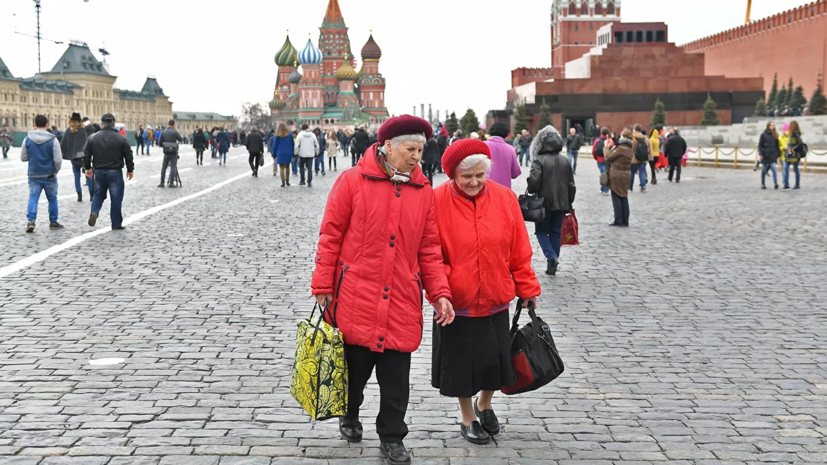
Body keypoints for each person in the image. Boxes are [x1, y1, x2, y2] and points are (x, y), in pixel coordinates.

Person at [311, 115, 454, 465]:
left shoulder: (424, 193)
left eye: (420, 150)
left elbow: (430, 249)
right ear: (387, 146)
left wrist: (440, 293)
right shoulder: (352, 182)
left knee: (396, 379)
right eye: (410, 149)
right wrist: (322, 283)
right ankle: (350, 412)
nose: (417, 156)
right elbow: (331, 235)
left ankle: (392, 437)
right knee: (355, 372)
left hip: (401, 297)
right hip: (356, 294)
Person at [431, 138, 541, 445]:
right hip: (456, 300)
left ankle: (485, 403)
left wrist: (528, 287)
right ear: (453, 175)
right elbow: (429, 254)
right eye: (467, 176)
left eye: (480, 175)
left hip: (495, 296)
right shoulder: (436, 201)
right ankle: (468, 416)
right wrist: (444, 287)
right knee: (461, 363)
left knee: (495, 359)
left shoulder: (505, 198)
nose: (474, 182)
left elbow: (520, 249)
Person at [527, 126, 576, 276]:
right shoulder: (565, 160)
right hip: (562, 202)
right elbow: (571, 184)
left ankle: (551, 257)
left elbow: (534, 182)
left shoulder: (539, 160)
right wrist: (569, 201)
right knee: (555, 233)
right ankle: (552, 265)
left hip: (543, 202)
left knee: (541, 232)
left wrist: (530, 187)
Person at [84, 114, 134, 230]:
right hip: (115, 171)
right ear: (114, 124)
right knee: (116, 198)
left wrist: (87, 168)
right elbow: (128, 155)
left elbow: (86, 154)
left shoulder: (93, 137)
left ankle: (94, 212)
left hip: (99, 171)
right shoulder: (120, 138)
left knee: (98, 194)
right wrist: (130, 169)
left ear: (101, 124)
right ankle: (116, 223)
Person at [21, 115, 64, 232]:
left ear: (34, 124)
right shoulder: (53, 140)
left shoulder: (27, 139)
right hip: (49, 174)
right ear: (47, 125)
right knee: (52, 198)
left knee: (33, 198)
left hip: (33, 174)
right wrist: (56, 170)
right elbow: (58, 159)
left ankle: (31, 221)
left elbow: (23, 157)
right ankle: (53, 221)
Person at [604, 130, 634, 227]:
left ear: (624, 136)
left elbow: (608, 157)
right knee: (624, 196)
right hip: (626, 173)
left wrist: (606, 147)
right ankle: (625, 220)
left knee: (616, 196)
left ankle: (618, 220)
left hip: (617, 173)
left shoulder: (621, 148)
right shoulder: (631, 148)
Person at [60, 113, 91, 202]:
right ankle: (91, 195)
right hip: (83, 157)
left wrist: (64, 154)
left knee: (76, 177)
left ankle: (79, 196)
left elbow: (63, 144)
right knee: (88, 175)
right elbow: (86, 143)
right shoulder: (83, 130)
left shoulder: (68, 131)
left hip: (74, 158)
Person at [484, 122, 521, 189]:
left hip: (485, 189)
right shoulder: (511, 149)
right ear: (506, 134)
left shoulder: (482, 146)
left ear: (490, 133)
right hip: (504, 191)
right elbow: (515, 173)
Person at [158, 120, 183, 188]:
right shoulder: (174, 132)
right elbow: (180, 139)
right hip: (174, 151)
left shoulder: (164, 132)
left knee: (164, 167)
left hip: (166, 152)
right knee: (173, 166)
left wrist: (164, 145)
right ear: (173, 125)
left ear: (168, 124)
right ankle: (171, 183)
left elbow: (159, 142)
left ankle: (162, 182)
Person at [758, 121, 781, 190]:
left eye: (773, 125)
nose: (772, 127)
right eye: (771, 125)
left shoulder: (775, 134)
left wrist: (779, 155)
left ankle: (775, 183)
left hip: (773, 154)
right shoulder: (763, 135)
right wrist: (760, 154)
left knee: (774, 168)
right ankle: (763, 183)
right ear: (768, 126)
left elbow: (777, 146)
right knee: (764, 169)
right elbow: (760, 145)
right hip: (765, 154)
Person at [782, 120, 804, 189]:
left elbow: (800, 143)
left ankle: (797, 184)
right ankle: (785, 184)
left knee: (795, 169)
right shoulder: (791, 133)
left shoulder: (796, 133)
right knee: (785, 167)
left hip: (795, 154)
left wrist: (794, 148)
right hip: (789, 154)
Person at [271, 123, 295, 187]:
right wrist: (293, 152)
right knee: (287, 167)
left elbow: (275, 145)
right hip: (288, 152)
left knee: (281, 167)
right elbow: (292, 144)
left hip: (280, 153)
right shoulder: (290, 134)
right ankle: (287, 180)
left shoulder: (277, 136)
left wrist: (273, 153)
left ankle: (283, 181)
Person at [630, 124, 651, 192]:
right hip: (643, 158)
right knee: (642, 172)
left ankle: (630, 187)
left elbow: (631, 149)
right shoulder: (645, 138)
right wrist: (650, 157)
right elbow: (649, 148)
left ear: (634, 129)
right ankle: (643, 187)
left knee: (632, 173)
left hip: (634, 158)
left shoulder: (632, 137)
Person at [592, 127, 610, 196]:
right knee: (606, 173)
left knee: (603, 173)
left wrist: (596, 158)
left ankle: (604, 189)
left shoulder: (597, 140)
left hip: (600, 159)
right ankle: (604, 189)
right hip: (608, 159)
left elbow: (593, 150)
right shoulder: (609, 140)